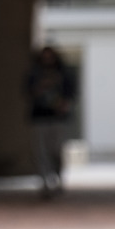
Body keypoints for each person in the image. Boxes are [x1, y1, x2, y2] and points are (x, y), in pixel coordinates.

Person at [23, 44, 77, 197]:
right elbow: (27, 91)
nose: (47, 59)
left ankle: (58, 176)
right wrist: (40, 87)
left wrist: (64, 104)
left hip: (58, 117)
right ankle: (44, 181)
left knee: (56, 149)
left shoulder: (63, 72)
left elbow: (71, 93)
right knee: (40, 151)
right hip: (40, 117)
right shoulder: (34, 73)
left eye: (50, 56)